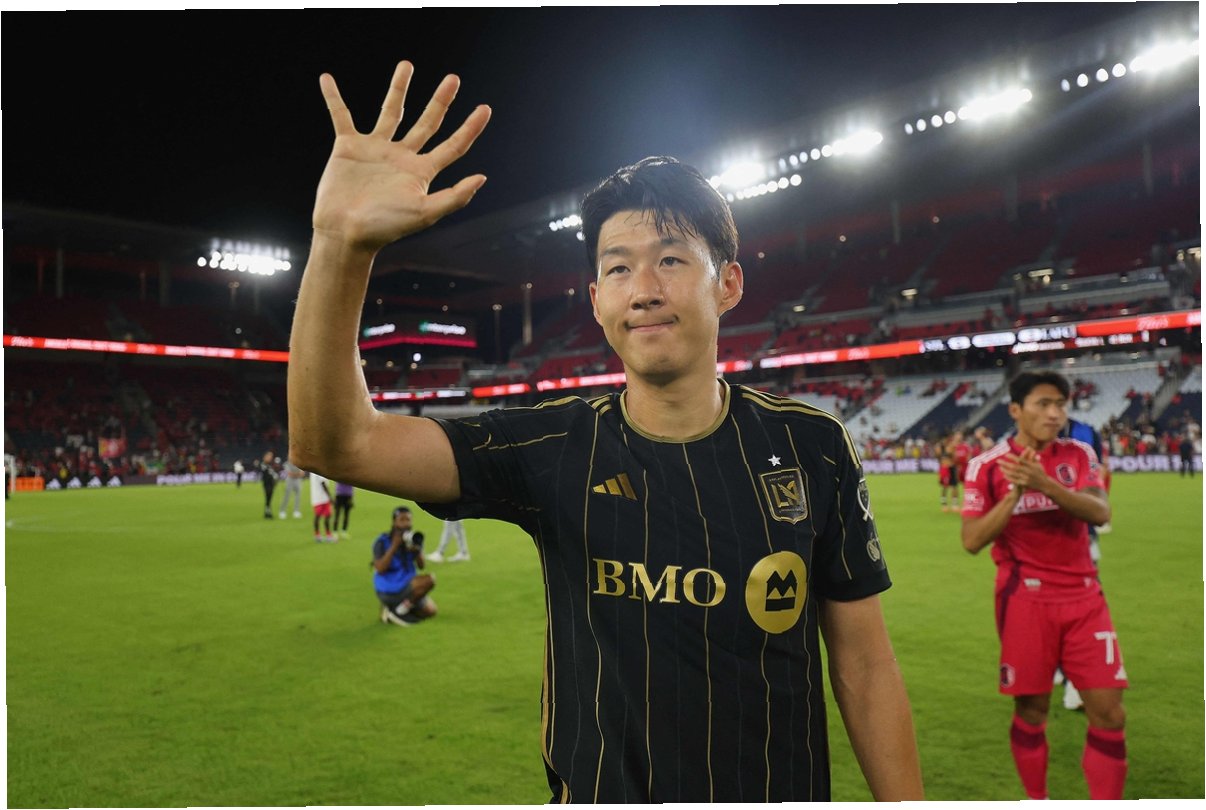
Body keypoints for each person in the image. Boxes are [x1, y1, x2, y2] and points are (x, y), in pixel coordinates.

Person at [287, 62, 922, 802]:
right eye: (618, 269)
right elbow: (335, 445)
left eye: (671, 260)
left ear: (729, 283)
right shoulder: (551, 446)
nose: (643, 290)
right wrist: (340, 245)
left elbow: (865, 666)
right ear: (595, 300)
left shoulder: (813, 446)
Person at [961, 371, 1126, 800]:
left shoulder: (1079, 453)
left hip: (1085, 598)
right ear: (1016, 410)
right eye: (1044, 404)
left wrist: (1045, 485)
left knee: (1110, 714)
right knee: (1033, 710)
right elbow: (972, 540)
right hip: (1025, 600)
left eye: (1061, 405)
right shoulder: (987, 465)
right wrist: (1014, 495)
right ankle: (1038, 800)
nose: (1055, 414)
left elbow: (1101, 512)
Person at [373, 506, 437, 626]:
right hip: (388, 588)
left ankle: (392, 609)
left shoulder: (413, 539)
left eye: (408, 520)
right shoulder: (382, 541)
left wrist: (417, 550)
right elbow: (380, 569)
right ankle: (398, 612)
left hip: (408, 586)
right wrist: (394, 546)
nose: (406, 523)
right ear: (394, 522)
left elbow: (421, 566)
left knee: (431, 611)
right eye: (402, 520)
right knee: (429, 580)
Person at [310, 470, 335, 542]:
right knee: (323, 516)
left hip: (317, 497)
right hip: (322, 497)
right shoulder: (319, 470)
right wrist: (330, 497)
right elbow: (323, 483)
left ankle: (318, 535)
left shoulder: (313, 471)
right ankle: (327, 535)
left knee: (321, 516)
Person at [937, 434, 958, 512]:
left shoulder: (952, 448)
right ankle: (944, 504)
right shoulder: (940, 448)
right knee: (944, 487)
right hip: (944, 469)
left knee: (954, 487)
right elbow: (939, 458)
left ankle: (954, 505)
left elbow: (955, 458)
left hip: (951, 469)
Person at [259, 450, 278, 519]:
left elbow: (273, 474)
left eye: (271, 456)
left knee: (269, 498)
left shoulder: (270, 465)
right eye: (269, 456)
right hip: (267, 484)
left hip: (271, 484)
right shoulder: (263, 464)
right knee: (268, 498)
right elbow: (266, 473)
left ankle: (267, 512)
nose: (270, 458)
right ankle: (267, 512)